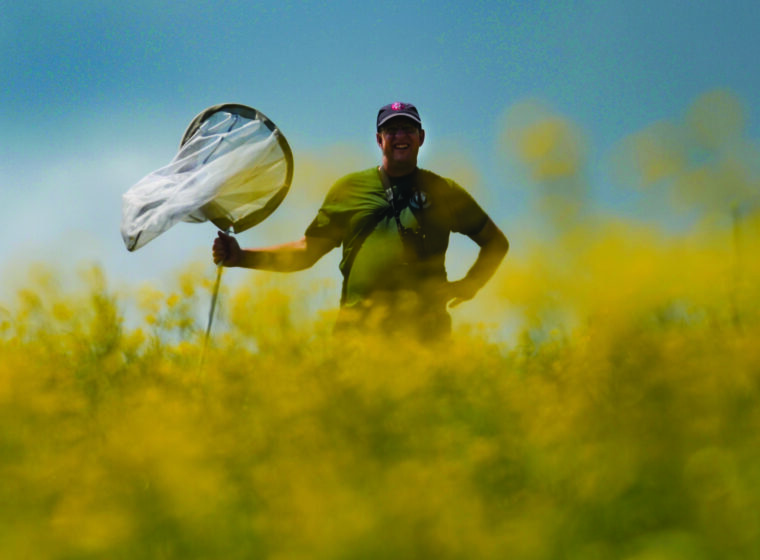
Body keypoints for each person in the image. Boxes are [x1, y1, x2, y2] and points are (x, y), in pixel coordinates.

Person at [213, 102, 508, 339]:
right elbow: (306, 251)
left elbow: (496, 242)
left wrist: (470, 285)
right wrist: (240, 256)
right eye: (390, 130)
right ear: (379, 140)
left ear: (421, 138)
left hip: (425, 337)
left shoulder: (445, 191)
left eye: (407, 128)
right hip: (358, 337)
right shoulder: (349, 188)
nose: (399, 136)